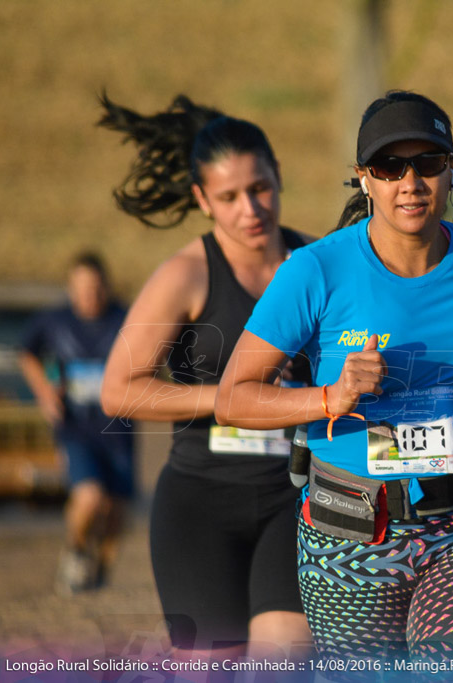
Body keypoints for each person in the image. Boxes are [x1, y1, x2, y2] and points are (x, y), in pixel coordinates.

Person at [215, 90, 453, 674]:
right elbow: (232, 399)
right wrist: (332, 397)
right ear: (364, 179)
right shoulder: (314, 270)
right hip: (350, 529)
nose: (411, 182)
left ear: (452, 171)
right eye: (390, 167)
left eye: (428, 163)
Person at [96, 94, 313, 661]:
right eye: (229, 196)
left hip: (299, 497)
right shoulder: (185, 275)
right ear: (202, 200)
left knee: (285, 660)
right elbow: (119, 389)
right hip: (200, 502)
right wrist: (232, 397)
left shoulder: (319, 266)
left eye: (260, 187)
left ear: (278, 175)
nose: (250, 209)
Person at [19, 252, 134, 595]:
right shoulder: (53, 321)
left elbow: (153, 355)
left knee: (115, 510)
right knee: (89, 496)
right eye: (82, 288)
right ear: (70, 289)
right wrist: (43, 390)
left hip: (118, 430)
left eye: (96, 288)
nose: (90, 295)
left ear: (107, 286)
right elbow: (26, 353)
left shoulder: (125, 318)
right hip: (75, 428)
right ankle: (75, 551)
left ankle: (100, 569)